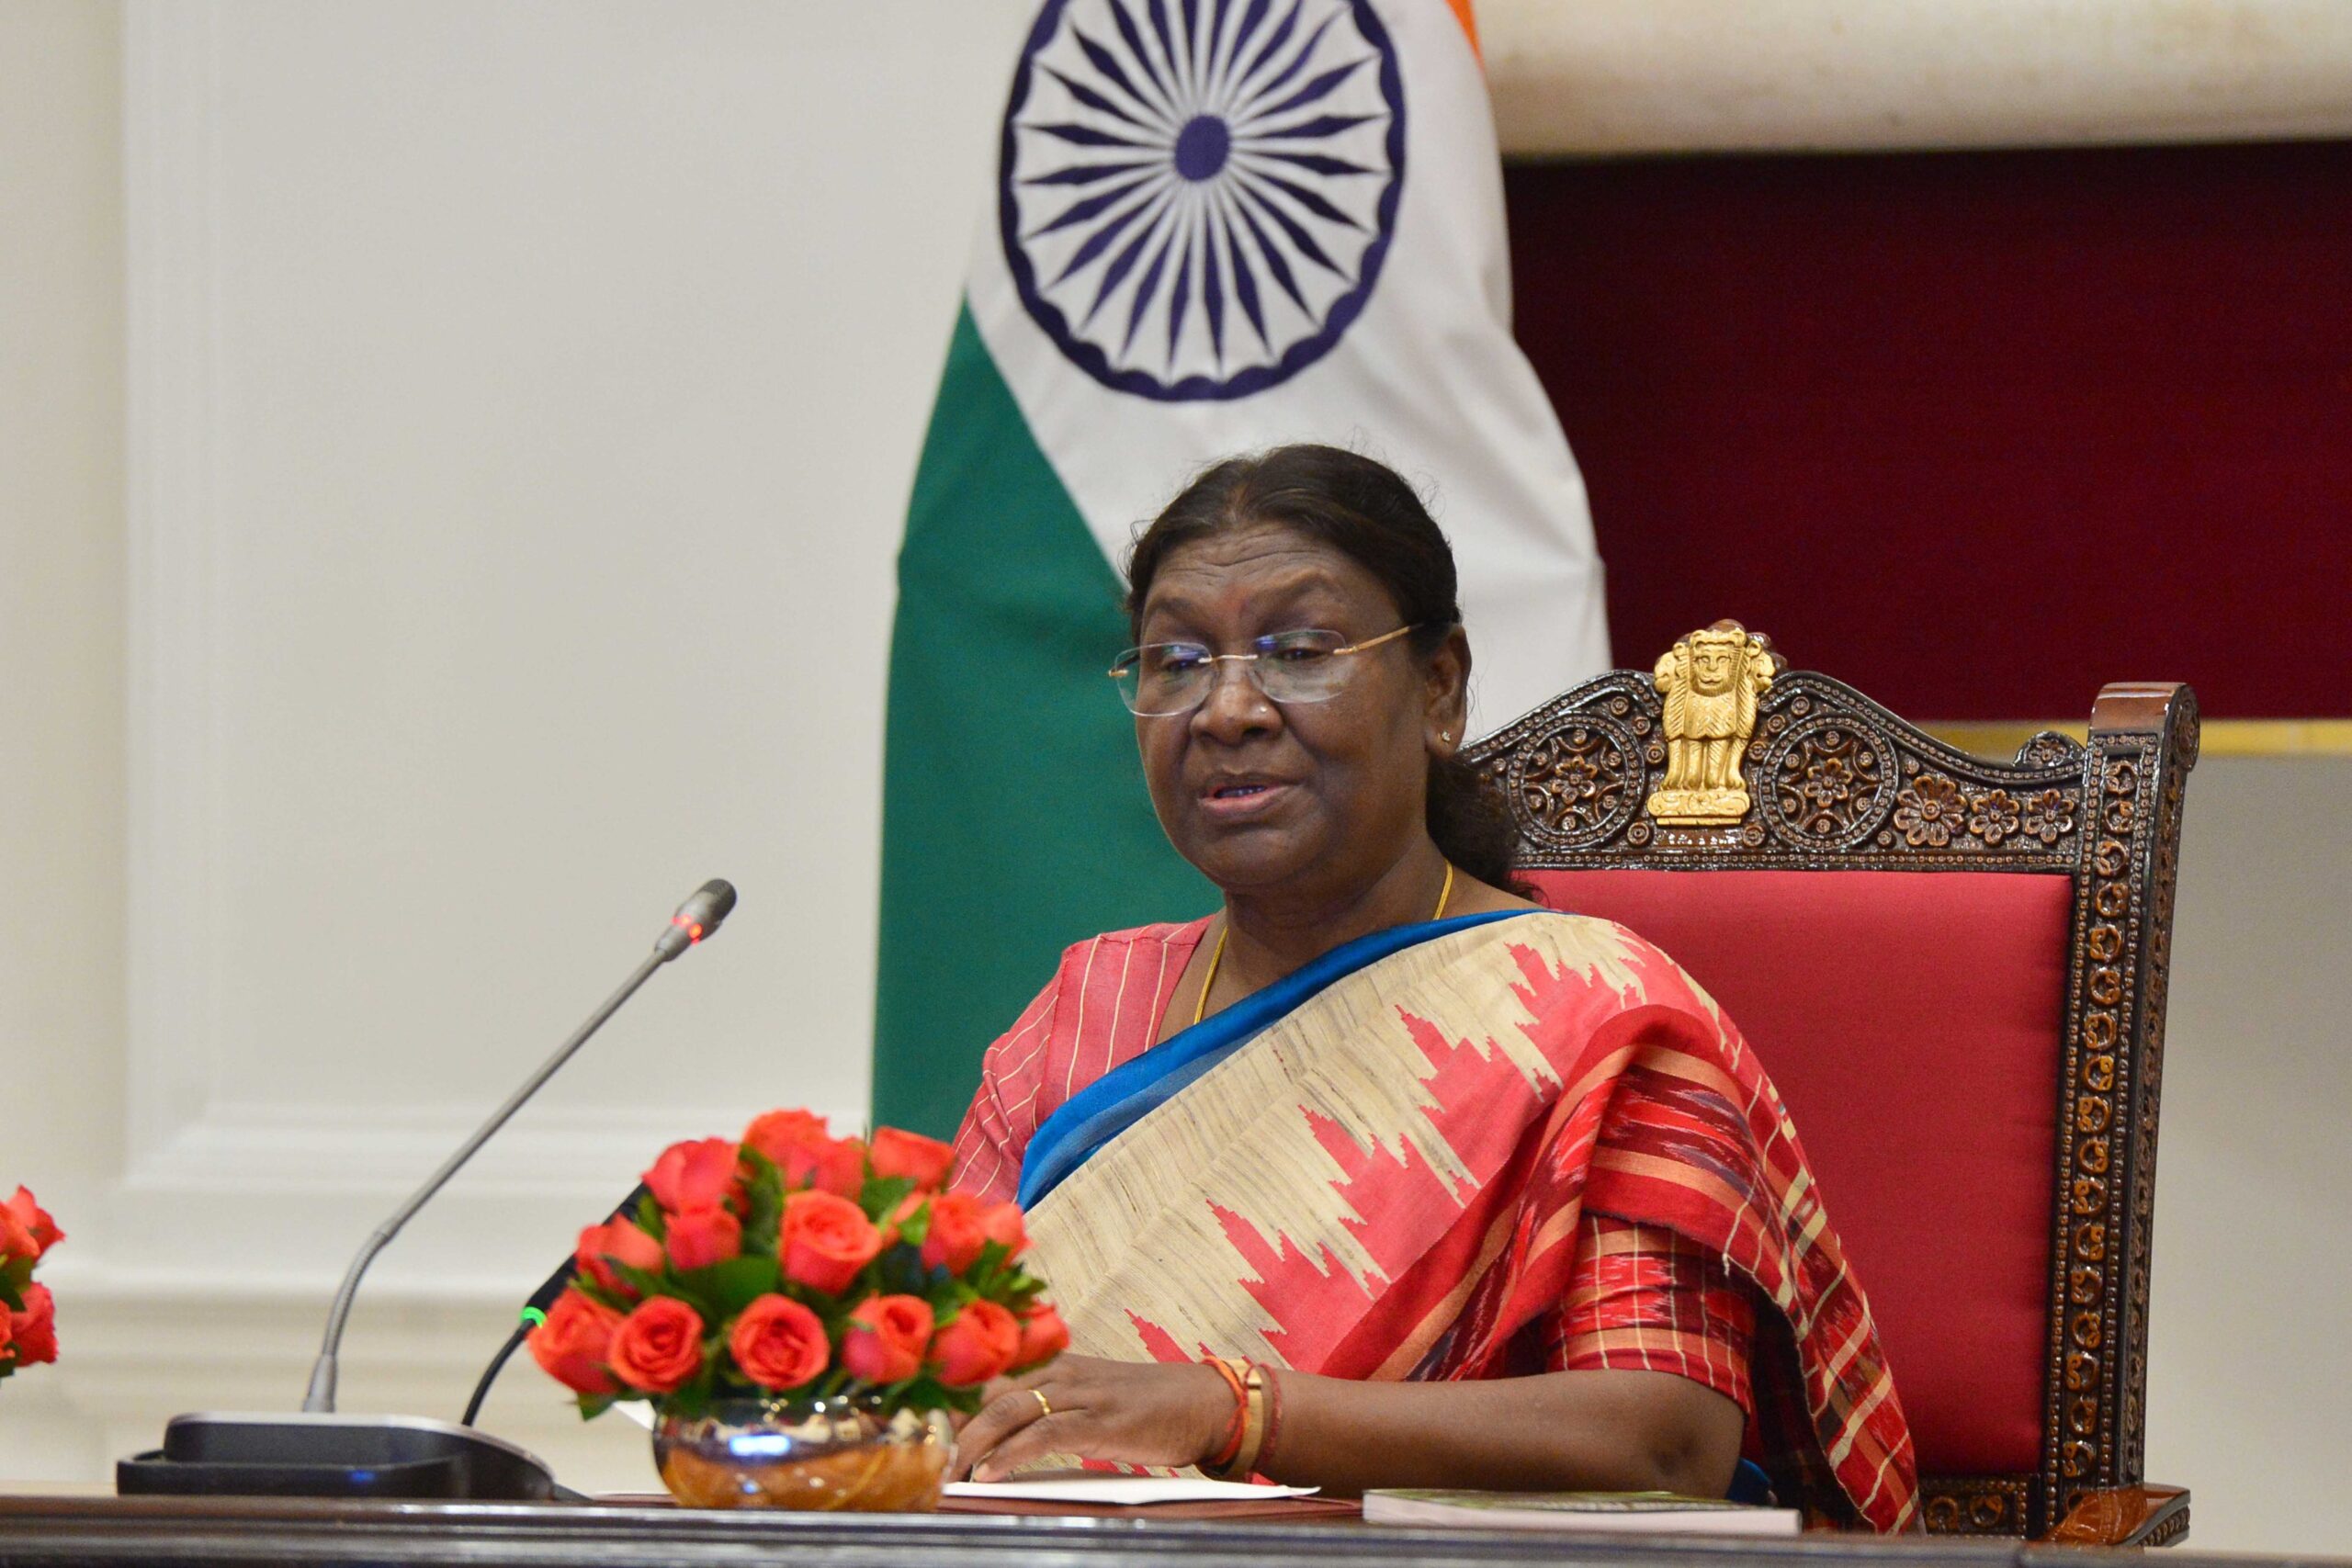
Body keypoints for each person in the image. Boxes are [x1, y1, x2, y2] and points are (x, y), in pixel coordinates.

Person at [942, 445, 1917, 1530]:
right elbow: (933, 1366)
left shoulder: (1589, 1016)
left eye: (1299, 650)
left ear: (1439, 689)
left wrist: (1233, 1411)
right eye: (1173, 660)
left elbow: (1665, 1434)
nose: (1225, 711)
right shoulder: (1088, 1013)